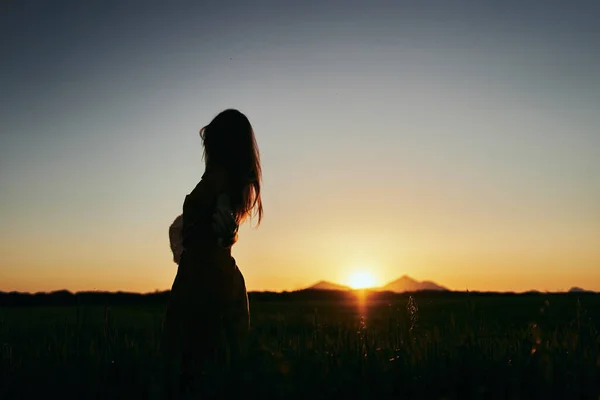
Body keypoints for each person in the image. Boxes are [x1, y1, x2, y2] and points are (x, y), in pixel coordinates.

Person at [164, 109, 263, 398]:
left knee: (193, 362)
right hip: (211, 274)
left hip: (204, 278)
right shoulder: (226, 183)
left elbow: (218, 225)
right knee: (211, 361)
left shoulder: (217, 180)